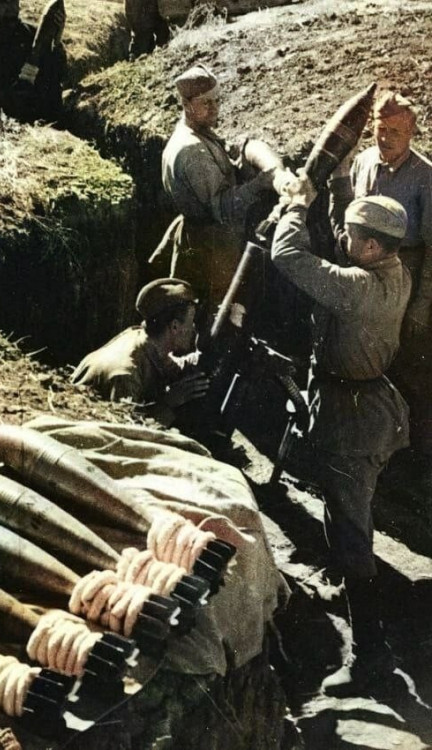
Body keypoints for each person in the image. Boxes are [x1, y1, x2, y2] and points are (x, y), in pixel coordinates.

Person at [272, 177, 411, 696]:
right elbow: (339, 242)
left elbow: (288, 256)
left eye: (352, 237)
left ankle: (371, 656)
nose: (342, 240)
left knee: (352, 532)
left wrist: (296, 206)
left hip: (352, 420)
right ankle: (355, 592)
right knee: (344, 513)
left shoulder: (357, 289)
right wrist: (336, 188)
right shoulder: (392, 270)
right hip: (364, 406)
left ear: (371, 247)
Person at [329, 91, 432, 479]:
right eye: (380, 129)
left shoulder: (426, 177)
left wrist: (421, 306)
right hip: (366, 275)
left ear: (412, 132)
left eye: (396, 132)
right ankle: (372, 446)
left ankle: (416, 456)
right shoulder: (364, 162)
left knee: (410, 364)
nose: (385, 138)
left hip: (406, 275)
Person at [151, 63, 293, 317]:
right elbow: (223, 208)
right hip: (214, 248)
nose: (215, 107)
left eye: (217, 100)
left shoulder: (196, 133)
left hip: (206, 240)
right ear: (186, 105)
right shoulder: (191, 151)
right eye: (206, 103)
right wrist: (260, 184)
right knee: (223, 311)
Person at [71, 278, 210, 427]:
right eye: (191, 322)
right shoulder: (126, 374)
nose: (194, 329)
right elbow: (127, 430)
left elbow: (169, 366)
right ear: (174, 326)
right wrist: (169, 403)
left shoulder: (145, 339)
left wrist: (203, 355)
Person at [0, 0, 66, 123]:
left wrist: (57, 40)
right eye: (4, 2)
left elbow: (58, 72)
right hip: (13, 119)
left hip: (44, 117)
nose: (11, 7)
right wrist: (16, 92)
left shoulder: (34, 35)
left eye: (13, 1)